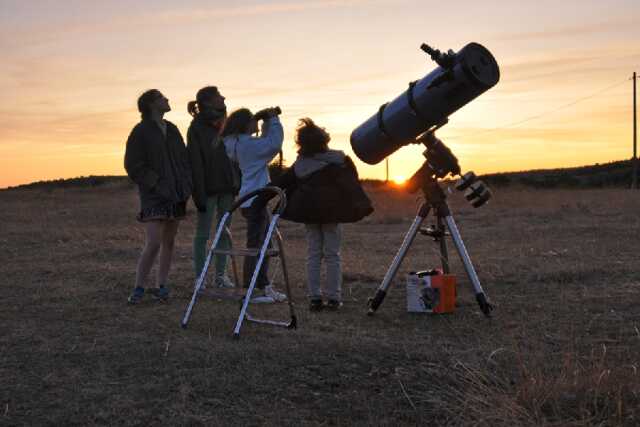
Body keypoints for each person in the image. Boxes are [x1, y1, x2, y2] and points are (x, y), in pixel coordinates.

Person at [272, 118, 373, 311]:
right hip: (332, 214)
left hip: (309, 214)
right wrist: (362, 205)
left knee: (313, 254)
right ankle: (334, 298)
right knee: (333, 255)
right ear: (324, 141)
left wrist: (261, 196)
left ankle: (314, 298)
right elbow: (352, 184)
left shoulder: (300, 165)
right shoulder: (339, 160)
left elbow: (282, 182)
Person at [124, 89, 192, 304]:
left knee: (169, 242)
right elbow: (133, 165)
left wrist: (186, 184)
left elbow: (183, 158)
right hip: (154, 195)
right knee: (153, 242)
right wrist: (156, 183)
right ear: (152, 104)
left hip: (177, 193)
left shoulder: (172, 129)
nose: (167, 99)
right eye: (162, 97)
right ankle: (139, 287)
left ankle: (162, 285)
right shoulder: (140, 131)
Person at [222, 107, 287, 303]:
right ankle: (251, 289)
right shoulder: (248, 145)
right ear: (245, 124)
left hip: (249, 200)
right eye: (253, 121)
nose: (256, 124)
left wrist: (265, 122)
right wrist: (273, 120)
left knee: (263, 244)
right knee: (256, 246)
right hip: (255, 200)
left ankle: (262, 286)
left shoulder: (235, 143)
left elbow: (265, 143)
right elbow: (273, 144)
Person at [186, 86, 238, 289]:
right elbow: (195, 162)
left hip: (228, 186)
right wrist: (198, 192)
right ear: (208, 101)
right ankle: (200, 277)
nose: (224, 97)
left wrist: (237, 180)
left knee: (224, 231)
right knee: (203, 234)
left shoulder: (228, 124)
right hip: (207, 188)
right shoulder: (196, 128)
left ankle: (220, 276)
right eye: (219, 96)